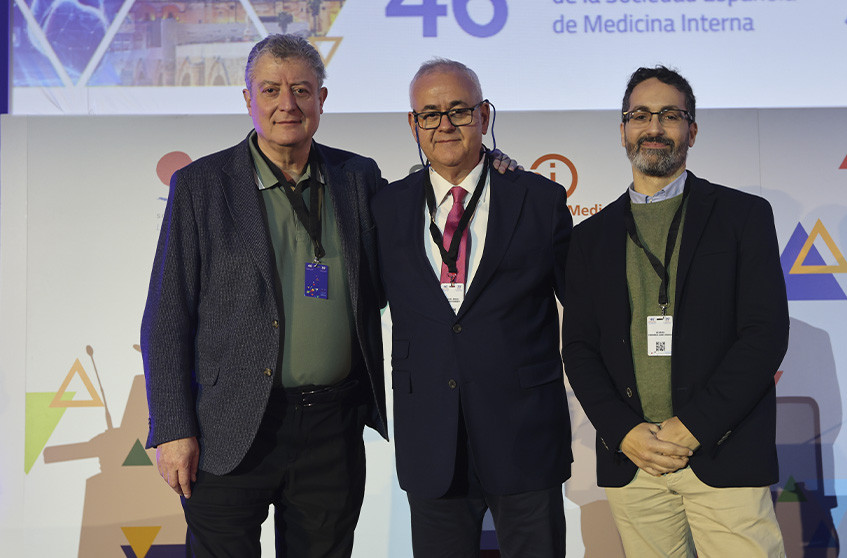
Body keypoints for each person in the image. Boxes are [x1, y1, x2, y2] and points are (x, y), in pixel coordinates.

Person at [140, 34, 388, 557]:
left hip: (332, 428)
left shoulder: (357, 177)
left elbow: (420, 224)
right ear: (247, 99)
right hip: (227, 428)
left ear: (322, 98)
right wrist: (173, 429)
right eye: (271, 90)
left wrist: (493, 165)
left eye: (301, 89)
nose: (287, 104)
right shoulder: (201, 185)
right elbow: (166, 317)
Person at [562, 66, 789, 557]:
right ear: (623, 129)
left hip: (722, 453)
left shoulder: (743, 216)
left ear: (692, 129)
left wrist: (694, 426)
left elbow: (764, 335)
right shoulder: (589, 238)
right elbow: (579, 349)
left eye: (669, 115)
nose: (654, 127)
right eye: (640, 115)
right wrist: (623, 432)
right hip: (634, 462)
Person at [370, 59, 573, 558]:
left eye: (459, 110)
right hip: (431, 441)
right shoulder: (385, 208)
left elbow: (586, 311)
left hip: (525, 437)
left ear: (483, 115)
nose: (445, 125)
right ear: (413, 124)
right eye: (430, 114)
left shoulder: (538, 199)